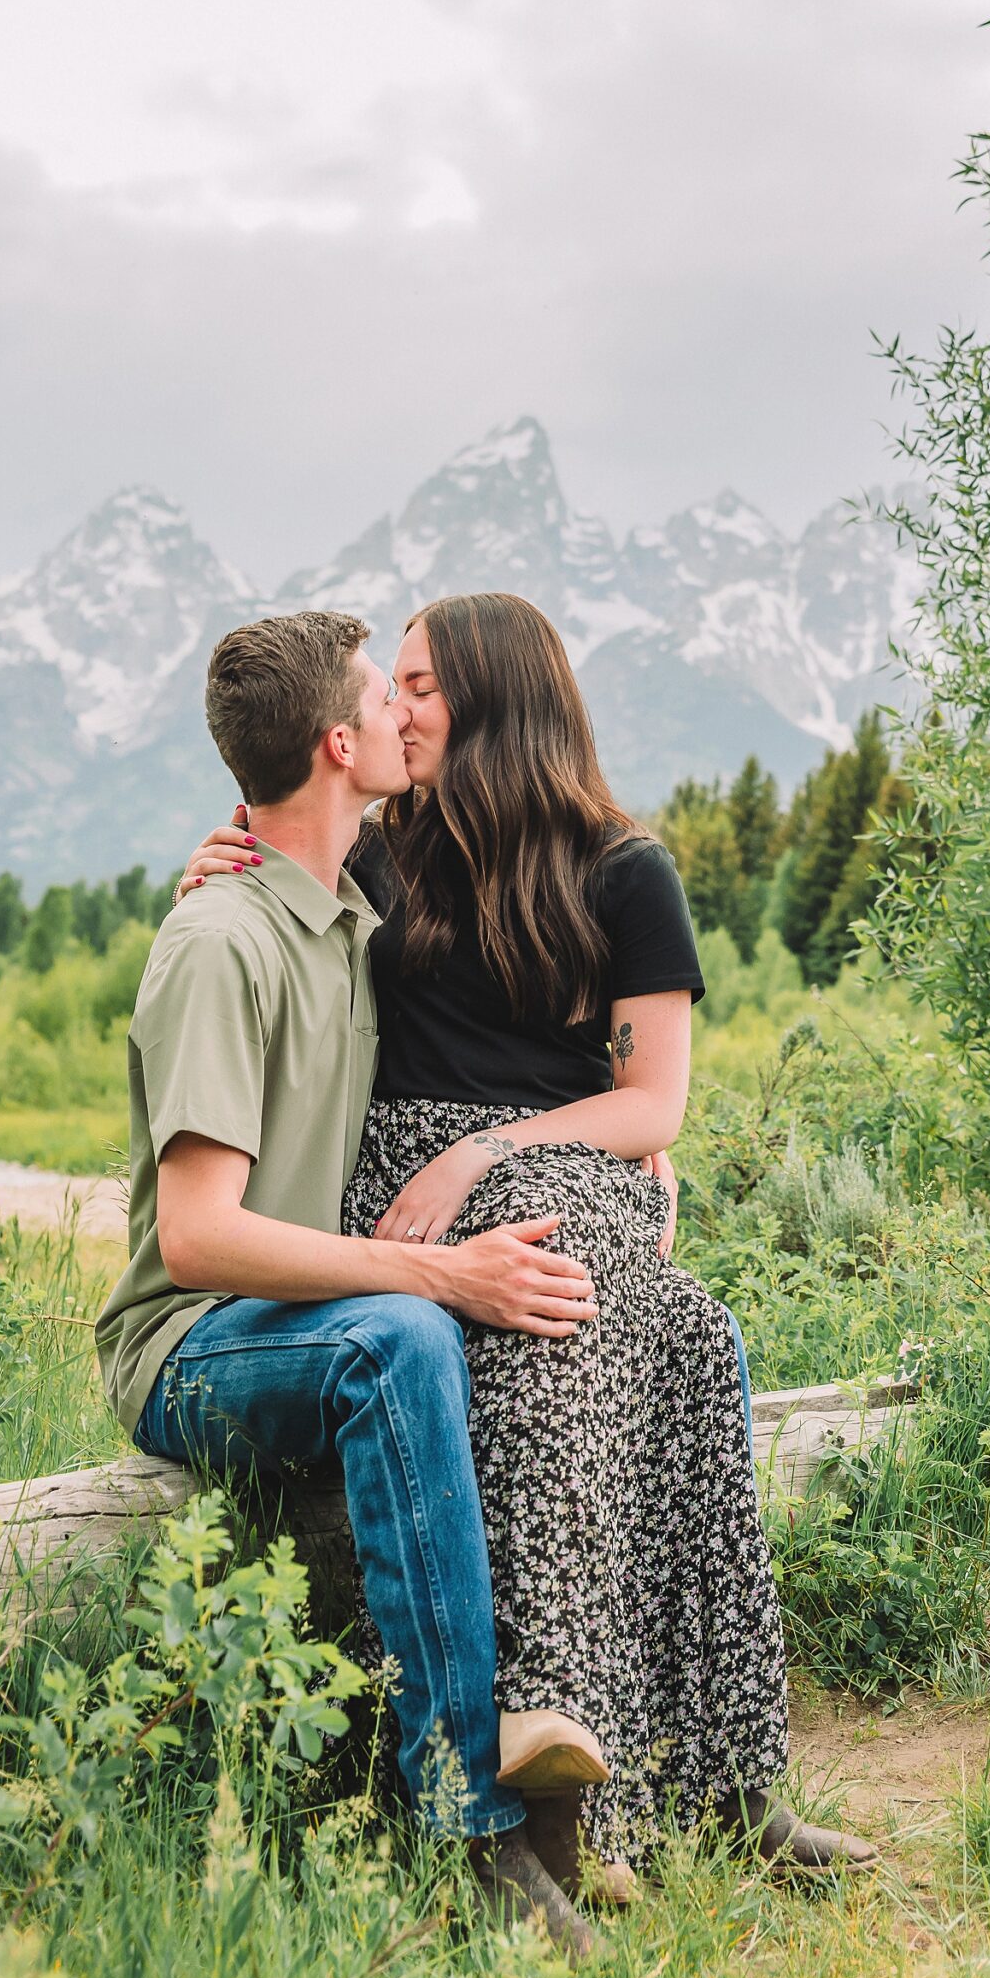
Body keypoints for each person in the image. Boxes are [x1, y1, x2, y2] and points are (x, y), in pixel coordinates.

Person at [177, 591, 875, 1896]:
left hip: (551, 1158)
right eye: (389, 686)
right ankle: (568, 1809)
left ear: (497, 694)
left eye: (423, 683)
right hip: (401, 1180)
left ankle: (719, 1784)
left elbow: (652, 1103)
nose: (396, 707)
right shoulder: (386, 850)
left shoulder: (625, 870)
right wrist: (216, 856)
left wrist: (495, 1147)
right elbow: (273, 849)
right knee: (641, 1320)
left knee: (658, 1328)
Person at [95, 609, 603, 1960]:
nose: (405, 719)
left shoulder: (349, 906)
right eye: (384, 700)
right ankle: (465, 1830)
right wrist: (436, 1274)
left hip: (301, 1321)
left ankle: (608, 1780)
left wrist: (636, 1141)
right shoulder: (221, 943)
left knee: (479, 1326)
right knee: (403, 1335)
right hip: (190, 1346)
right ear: (338, 743)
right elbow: (197, 1240)